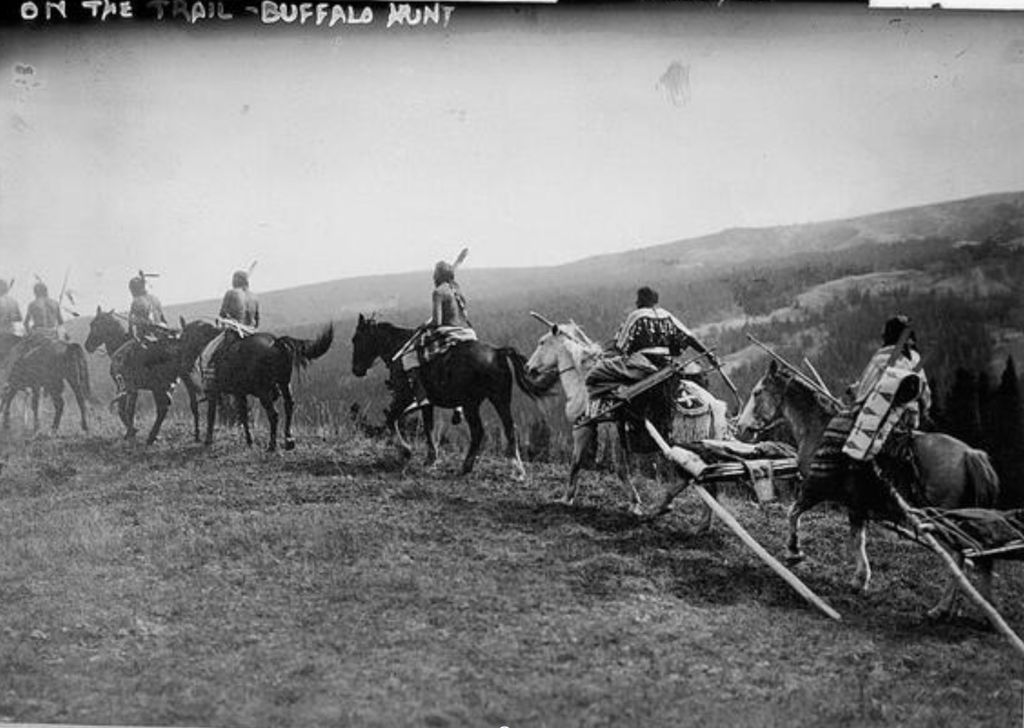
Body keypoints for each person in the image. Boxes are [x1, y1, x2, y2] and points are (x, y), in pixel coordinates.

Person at [584, 286, 718, 400]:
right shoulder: (667, 315)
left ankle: (609, 400)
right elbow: (690, 337)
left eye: (638, 299)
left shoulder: (636, 315)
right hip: (666, 364)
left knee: (595, 373)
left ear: (641, 300)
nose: (636, 302)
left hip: (642, 365)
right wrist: (709, 355)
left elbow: (620, 347)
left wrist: (604, 355)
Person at [842, 315, 932, 466]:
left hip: (883, 418)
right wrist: (923, 410)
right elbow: (926, 395)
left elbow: (867, 388)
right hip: (910, 420)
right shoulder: (915, 358)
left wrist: (853, 391)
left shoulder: (883, 357)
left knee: (840, 429)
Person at [397, 259, 477, 413]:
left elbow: (437, 321)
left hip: (449, 332)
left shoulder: (438, 292)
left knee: (409, 357)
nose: (433, 277)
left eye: (435, 274)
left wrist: (424, 326)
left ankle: (421, 397)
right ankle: (459, 404)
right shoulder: (456, 289)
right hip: (468, 332)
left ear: (439, 275)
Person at [194, 270, 260, 393]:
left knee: (206, 354)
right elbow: (257, 319)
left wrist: (225, 321)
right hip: (252, 332)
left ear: (237, 280)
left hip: (235, 332)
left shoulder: (231, 293)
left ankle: (210, 385)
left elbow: (222, 315)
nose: (232, 282)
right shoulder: (254, 296)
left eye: (233, 279)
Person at [127, 275, 168, 342]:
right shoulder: (155, 298)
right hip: (162, 333)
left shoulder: (136, 302)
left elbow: (131, 325)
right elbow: (163, 319)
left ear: (134, 289)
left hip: (147, 337)